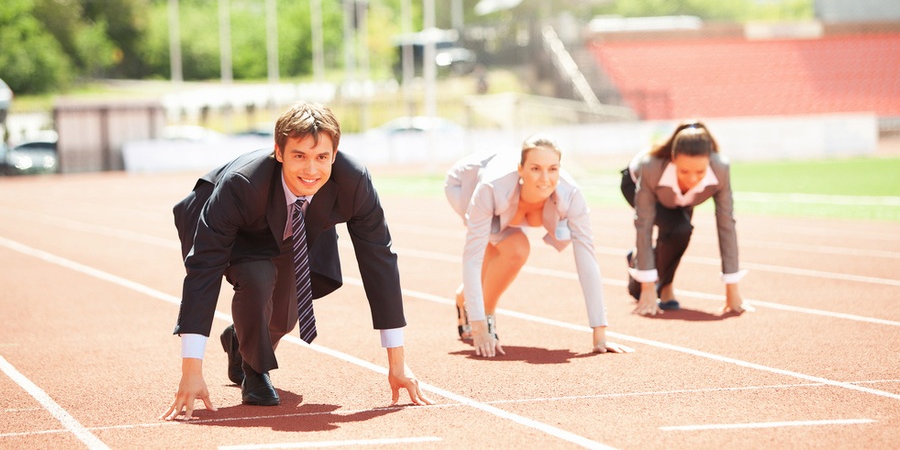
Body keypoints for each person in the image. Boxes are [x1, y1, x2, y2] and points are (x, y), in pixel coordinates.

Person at [161, 101, 432, 421]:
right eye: (299, 156)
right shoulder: (243, 184)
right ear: (279, 151)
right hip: (237, 229)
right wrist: (192, 369)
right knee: (258, 276)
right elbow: (203, 271)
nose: (311, 169)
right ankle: (256, 372)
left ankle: (239, 338)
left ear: (335, 154)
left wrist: (397, 363)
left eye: (322, 157)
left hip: (292, 230)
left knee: (282, 320)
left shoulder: (354, 181)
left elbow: (379, 259)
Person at [444, 134, 632, 358]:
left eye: (553, 169)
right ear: (521, 169)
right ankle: (485, 314)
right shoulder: (490, 188)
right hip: (465, 183)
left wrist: (600, 334)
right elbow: (472, 256)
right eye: (535, 169)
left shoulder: (571, 194)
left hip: (507, 198)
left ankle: (464, 297)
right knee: (514, 248)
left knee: (502, 249)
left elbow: (587, 257)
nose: (545, 178)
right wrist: (478, 325)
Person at [620, 120, 752, 316]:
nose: (691, 179)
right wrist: (647, 288)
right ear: (673, 159)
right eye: (684, 171)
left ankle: (661, 284)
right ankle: (650, 285)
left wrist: (732, 290)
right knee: (677, 228)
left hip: (684, 197)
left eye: (700, 172)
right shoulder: (651, 166)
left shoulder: (720, 169)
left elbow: (727, 224)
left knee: (681, 232)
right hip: (638, 185)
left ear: (709, 161)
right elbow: (644, 225)